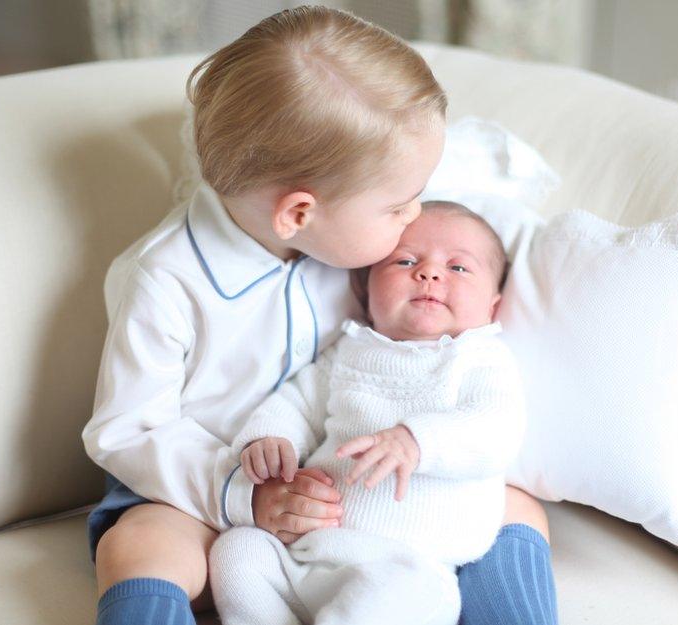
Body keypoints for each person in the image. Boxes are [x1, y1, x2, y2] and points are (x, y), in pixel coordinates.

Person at [82, 7, 556, 625]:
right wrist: (245, 495)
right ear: (299, 214)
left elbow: (442, 198)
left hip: (358, 492)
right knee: (141, 544)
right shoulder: (166, 280)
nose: (414, 218)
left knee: (516, 506)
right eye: (398, 207)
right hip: (205, 495)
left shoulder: (357, 236)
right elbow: (125, 430)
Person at [210, 202, 527, 625]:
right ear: (366, 287)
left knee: (388, 603)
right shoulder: (351, 350)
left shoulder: (481, 359)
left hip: (410, 568)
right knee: (237, 551)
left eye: (459, 268)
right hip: (308, 553)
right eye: (406, 261)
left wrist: (417, 440)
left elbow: (498, 429)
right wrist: (270, 439)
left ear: (492, 305)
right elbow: (298, 402)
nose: (429, 274)